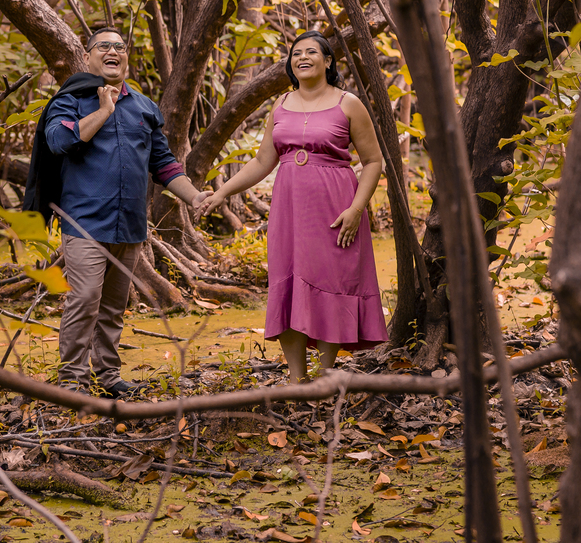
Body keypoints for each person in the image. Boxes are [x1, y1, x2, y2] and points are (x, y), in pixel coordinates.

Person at [197, 31, 387, 382]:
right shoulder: (281, 104)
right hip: (289, 210)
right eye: (296, 53)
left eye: (311, 52)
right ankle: (297, 380)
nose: (302, 57)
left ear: (327, 61)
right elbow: (261, 162)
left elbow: (374, 161)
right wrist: (222, 192)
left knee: (331, 282)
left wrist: (357, 209)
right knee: (287, 282)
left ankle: (326, 376)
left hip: (336, 207)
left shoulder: (348, 103)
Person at [44, 27, 210, 397]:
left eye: (119, 46)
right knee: (85, 299)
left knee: (113, 307)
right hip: (84, 223)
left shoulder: (144, 108)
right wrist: (104, 110)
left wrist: (195, 197)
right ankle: (72, 380)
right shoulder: (70, 101)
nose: (113, 51)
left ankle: (108, 375)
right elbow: (58, 141)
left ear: (126, 57)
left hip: (129, 226)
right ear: (87, 56)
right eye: (103, 46)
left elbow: (163, 164)